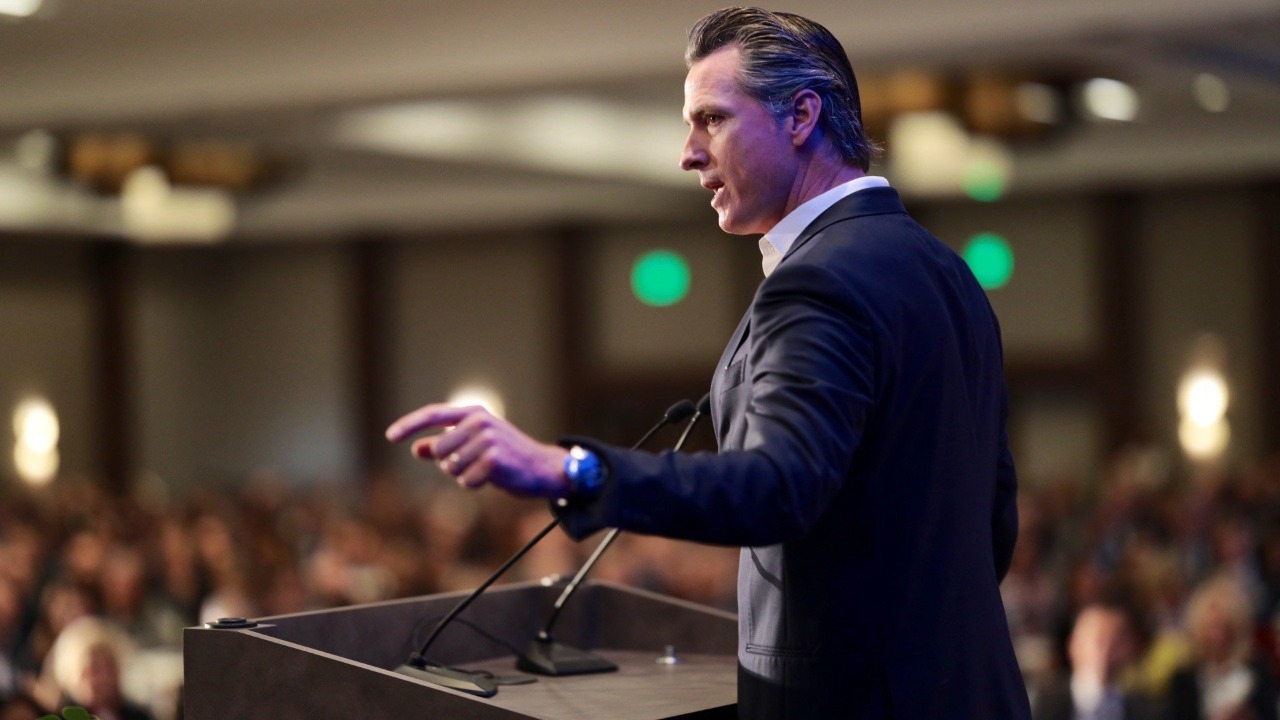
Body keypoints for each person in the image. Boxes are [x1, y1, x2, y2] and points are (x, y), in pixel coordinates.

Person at [387, 7, 1030, 718]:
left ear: (800, 115)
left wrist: (570, 470)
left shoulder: (821, 280)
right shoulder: (945, 272)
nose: (687, 153)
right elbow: (991, 518)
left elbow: (778, 485)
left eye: (712, 120)